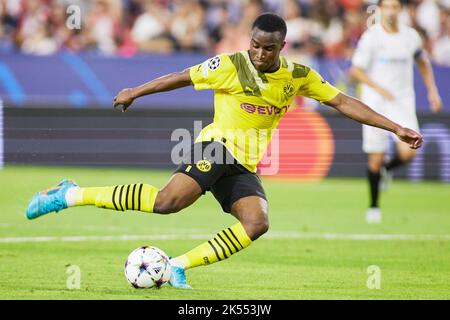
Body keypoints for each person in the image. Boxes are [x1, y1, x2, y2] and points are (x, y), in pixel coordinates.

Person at [26, 13, 423, 289]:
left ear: (282, 46)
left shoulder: (299, 76)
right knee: (168, 203)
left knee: (257, 222)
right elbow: (181, 77)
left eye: (269, 49)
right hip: (215, 147)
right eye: (255, 46)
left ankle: (178, 266)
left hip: (244, 161)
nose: (260, 54)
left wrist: (395, 127)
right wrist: (136, 91)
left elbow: (343, 102)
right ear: (248, 42)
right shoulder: (231, 64)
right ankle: (69, 194)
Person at [349, 0, 442, 224]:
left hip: (402, 103)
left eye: (395, 7)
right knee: (375, 158)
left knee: (410, 151)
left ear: (400, 10)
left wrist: (432, 91)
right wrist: (380, 89)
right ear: (380, 10)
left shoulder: (410, 37)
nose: (391, 12)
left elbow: (422, 61)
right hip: (375, 104)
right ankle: (373, 207)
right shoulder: (371, 38)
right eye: (387, 7)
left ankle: (387, 171)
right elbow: (356, 71)